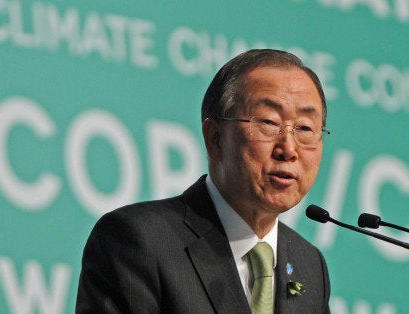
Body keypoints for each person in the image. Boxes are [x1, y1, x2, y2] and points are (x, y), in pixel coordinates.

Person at [76, 49, 331, 313]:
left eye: (304, 128)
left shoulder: (309, 264)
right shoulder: (138, 240)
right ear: (215, 138)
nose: (288, 148)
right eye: (268, 121)